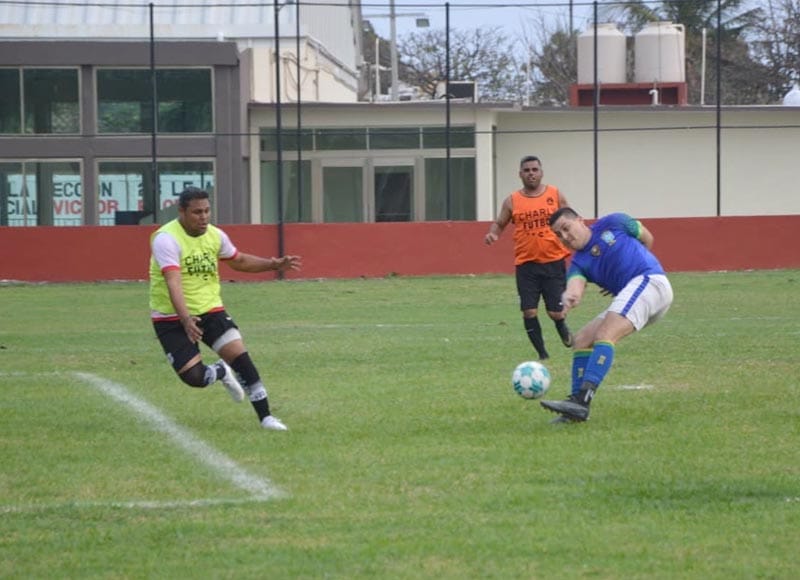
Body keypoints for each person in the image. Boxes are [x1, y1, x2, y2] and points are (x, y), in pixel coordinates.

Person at [149, 187, 301, 431]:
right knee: (195, 378)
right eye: (197, 212)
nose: (204, 217)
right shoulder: (166, 239)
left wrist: (274, 264)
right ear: (182, 212)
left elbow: (239, 261)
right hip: (170, 317)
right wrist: (185, 319)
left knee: (240, 358)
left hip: (210, 310)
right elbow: (173, 282)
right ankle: (219, 371)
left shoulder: (215, 235)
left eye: (207, 211)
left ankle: (266, 418)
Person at [540, 207, 673, 423]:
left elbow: (647, 237)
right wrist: (569, 297)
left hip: (650, 282)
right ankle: (574, 409)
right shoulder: (578, 263)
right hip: (638, 293)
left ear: (580, 220)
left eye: (566, 228)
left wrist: (635, 267)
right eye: (558, 234)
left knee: (605, 334)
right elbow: (575, 287)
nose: (564, 236)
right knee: (582, 340)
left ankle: (581, 402)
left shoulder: (614, 222)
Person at [484, 155, 573, 360]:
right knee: (529, 311)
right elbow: (500, 223)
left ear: (541, 173)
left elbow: (569, 216)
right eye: (526, 170)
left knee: (555, 313)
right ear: (520, 174)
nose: (531, 173)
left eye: (534, 170)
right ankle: (543, 355)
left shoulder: (554, 194)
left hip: (553, 261)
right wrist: (493, 234)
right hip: (526, 265)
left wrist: (574, 234)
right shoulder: (512, 201)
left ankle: (562, 326)